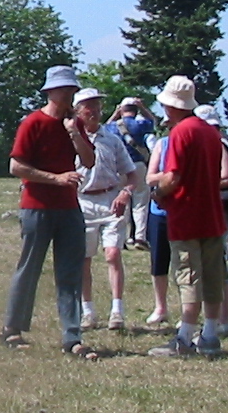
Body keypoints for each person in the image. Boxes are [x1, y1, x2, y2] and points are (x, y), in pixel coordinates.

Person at [0, 66, 99, 359]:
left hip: (69, 208)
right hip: (37, 207)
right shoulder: (32, 123)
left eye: (72, 89)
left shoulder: (75, 124)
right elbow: (16, 166)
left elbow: (89, 161)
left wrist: (74, 135)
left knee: (70, 272)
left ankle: (73, 337)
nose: (70, 94)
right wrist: (56, 178)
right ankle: (11, 329)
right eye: (65, 89)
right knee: (29, 267)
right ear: (51, 92)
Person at [147, 76, 228, 359]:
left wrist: (157, 192)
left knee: (188, 276)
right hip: (213, 215)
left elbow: (173, 177)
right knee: (213, 275)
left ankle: (184, 336)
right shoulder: (209, 132)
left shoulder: (180, 133)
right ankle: (209, 334)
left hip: (186, 214)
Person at [74, 88, 143, 331]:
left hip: (110, 200)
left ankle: (117, 310)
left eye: (97, 106)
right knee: (84, 259)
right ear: (77, 111)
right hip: (82, 203)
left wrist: (125, 193)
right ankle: (88, 311)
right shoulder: (72, 140)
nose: (93, 111)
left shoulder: (112, 140)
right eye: (88, 107)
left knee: (113, 254)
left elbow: (132, 174)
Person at [196, 104, 228, 336]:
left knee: (217, 263)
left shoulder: (217, 142)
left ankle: (222, 319)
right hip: (221, 206)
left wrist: (200, 186)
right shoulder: (225, 140)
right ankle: (219, 318)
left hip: (219, 205)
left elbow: (225, 176)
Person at [110, 97, 156, 248]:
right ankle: (140, 237)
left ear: (122, 109)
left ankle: (121, 238)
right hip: (138, 164)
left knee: (121, 202)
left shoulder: (113, 127)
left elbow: (103, 127)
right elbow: (152, 121)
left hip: (119, 166)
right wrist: (143, 107)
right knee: (140, 202)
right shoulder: (140, 124)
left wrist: (115, 113)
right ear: (135, 111)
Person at [144, 129, 173, 326]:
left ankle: (189, 309)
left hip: (184, 211)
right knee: (159, 260)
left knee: (184, 262)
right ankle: (160, 307)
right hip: (159, 212)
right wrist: (172, 174)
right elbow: (150, 178)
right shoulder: (162, 144)